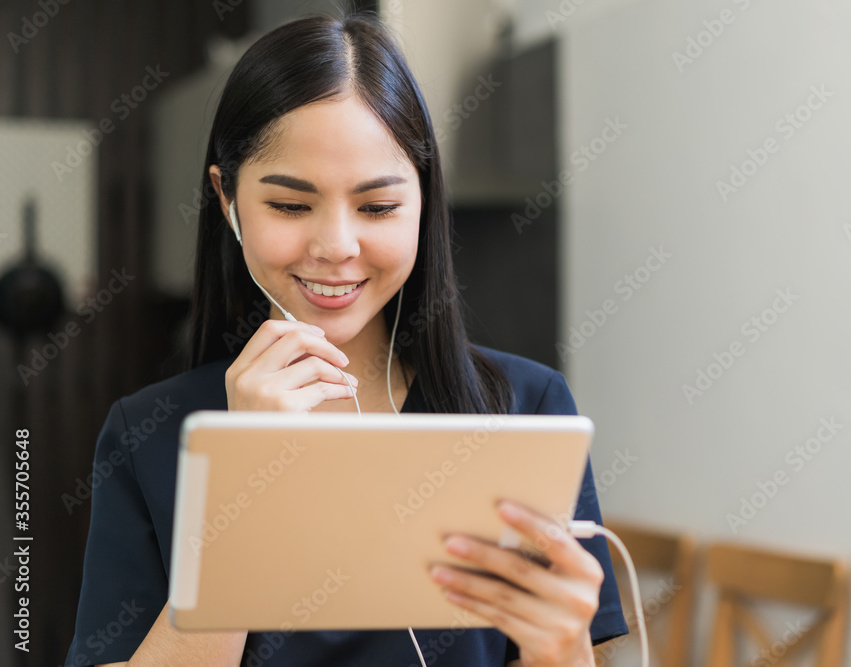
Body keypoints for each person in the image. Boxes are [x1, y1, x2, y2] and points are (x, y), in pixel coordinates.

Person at [65, 12, 628, 667]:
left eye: (378, 206)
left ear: (424, 200)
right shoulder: (148, 434)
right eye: (290, 205)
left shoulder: (528, 409)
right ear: (227, 199)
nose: (336, 246)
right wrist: (242, 491)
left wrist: (562, 646)